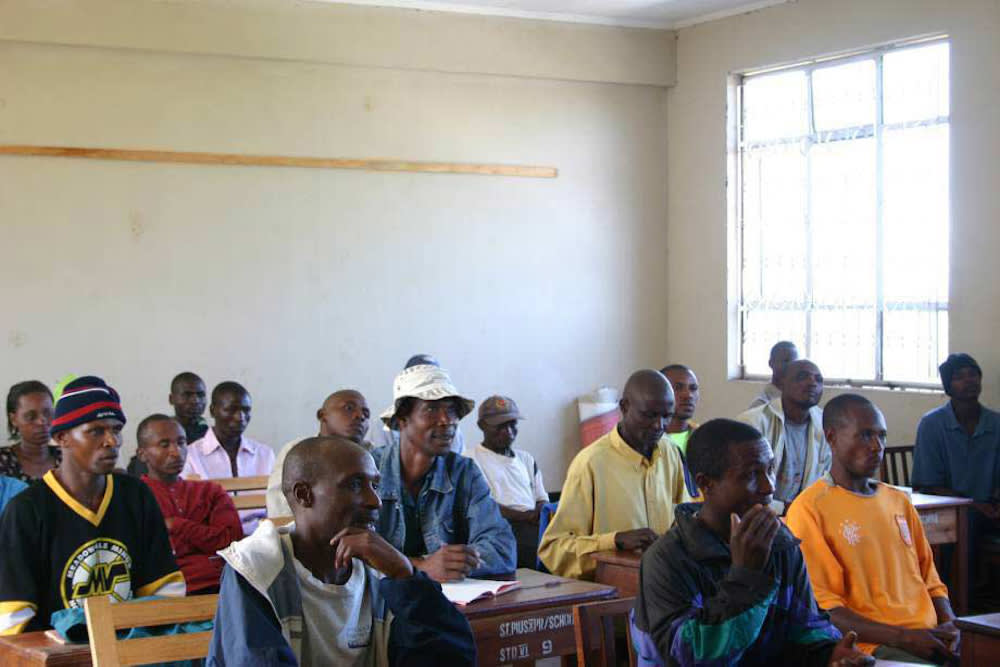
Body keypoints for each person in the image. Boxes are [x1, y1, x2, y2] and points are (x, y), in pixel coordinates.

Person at [208, 436, 476, 666]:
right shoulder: (256, 568)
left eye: (375, 485)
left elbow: (453, 658)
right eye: (355, 485)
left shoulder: (381, 569)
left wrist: (405, 575)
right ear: (304, 495)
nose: (376, 501)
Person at [632, 418, 873, 667]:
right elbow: (692, 657)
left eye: (769, 469)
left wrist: (830, 653)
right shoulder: (667, 559)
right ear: (706, 484)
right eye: (750, 475)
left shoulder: (780, 542)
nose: (768, 486)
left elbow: (806, 626)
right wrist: (746, 577)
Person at [0, 376, 185, 634]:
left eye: (116, 430)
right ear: (62, 437)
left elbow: (165, 592)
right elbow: (14, 621)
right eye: (96, 431)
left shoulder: (136, 496)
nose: (112, 441)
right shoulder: (27, 510)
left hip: (133, 651)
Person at [787, 395, 959, 665]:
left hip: (930, 636)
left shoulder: (898, 501)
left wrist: (951, 625)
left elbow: (931, 581)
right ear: (831, 436)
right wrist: (905, 637)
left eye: (882, 436)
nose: (876, 446)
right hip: (875, 645)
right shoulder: (810, 508)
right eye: (865, 435)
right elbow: (827, 608)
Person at [539, 370, 690, 580]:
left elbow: (683, 521)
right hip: (615, 595)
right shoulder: (591, 463)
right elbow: (553, 549)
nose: (659, 425)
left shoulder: (670, 452)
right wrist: (615, 541)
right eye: (649, 415)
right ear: (625, 407)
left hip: (666, 586)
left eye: (667, 416)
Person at [372, 365, 515, 581]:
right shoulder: (369, 471)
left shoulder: (463, 472)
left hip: (450, 606)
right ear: (402, 420)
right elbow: (351, 554)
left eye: (451, 410)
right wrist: (421, 566)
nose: (446, 420)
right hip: (380, 611)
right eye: (431, 409)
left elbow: (501, 548)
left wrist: (454, 564)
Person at [912, 353, 1000, 595]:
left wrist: (994, 502)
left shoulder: (996, 423)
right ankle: (961, 600)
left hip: (990, 507)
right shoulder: (932, 424)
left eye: (973, 374)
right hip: (950, 508)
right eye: (960, 377)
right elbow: (926, 484)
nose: (969, 381)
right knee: (965, 523)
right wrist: (973, 505)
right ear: (948, 386)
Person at [137, 414, 243, 595]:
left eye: (181, 442)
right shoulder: (135, 497)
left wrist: (176, 525)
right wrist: (205, 538)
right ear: (142, 454)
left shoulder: (210, 492)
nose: (176, 452)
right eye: (164, 445)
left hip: (223, 584)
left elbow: (232, 541)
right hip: (167, 591)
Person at [737, 359, 831, 514]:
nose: (812, 383)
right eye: (802, 377)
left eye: (818, 379)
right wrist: (785, 508)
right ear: (781, 383)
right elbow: (742, 485)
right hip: (759, 514)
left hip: (805, 517)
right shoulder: (752, 422)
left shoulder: (825, 424)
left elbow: (826, 480)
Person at [181, 381, 275, 535]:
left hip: (260, 539)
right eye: (231, 410)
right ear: (213, 411)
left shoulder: (264, 454)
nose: (240, 417)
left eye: (246, 410)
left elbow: (276, 507)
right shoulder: (191, 456)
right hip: (212, 538)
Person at [466, 395, 549, 569]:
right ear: (482, 426)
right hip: (499, 529)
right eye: (500, 426)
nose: (509, 431)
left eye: (512, 424)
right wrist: (526, 516)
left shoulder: (526, 459)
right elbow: (484, 508)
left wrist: (539, 512)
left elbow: (541, 498)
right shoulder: (470, 460)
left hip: (533, 525)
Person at [266, 389, 373, 517]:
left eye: (366, 414)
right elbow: (279, 508)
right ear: (322, 415)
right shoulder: (298, 450)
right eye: (349, 408)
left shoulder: (373, 454)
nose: (360, 416)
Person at [370, 355, 466, 454]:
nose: (444, 420)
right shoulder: (381, 427)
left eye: (451, 409)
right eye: (431, 409)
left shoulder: (452, 430)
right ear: (403, 417)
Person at [128, 372, 210, 477]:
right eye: (187, 395)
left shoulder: (208, 434)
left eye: (200, 395)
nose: (195, 400)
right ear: (171, 399)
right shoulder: (159, 432)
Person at [2, 380, 61, 481]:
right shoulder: (3, 462)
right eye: (31, 416)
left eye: (48, 413)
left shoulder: (68, 457)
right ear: (13, 419)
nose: (42, 421)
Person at [662, 365, 701, 500]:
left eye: (693, 388)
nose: (687, 395)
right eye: (678, 388)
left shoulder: (706, 437)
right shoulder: (648, 443)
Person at [749, 341, 799, 409]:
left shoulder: (803, 398)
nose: (791, 366)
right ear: (771, 363)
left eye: (795, 362)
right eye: (786, 361)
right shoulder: (760, 406)